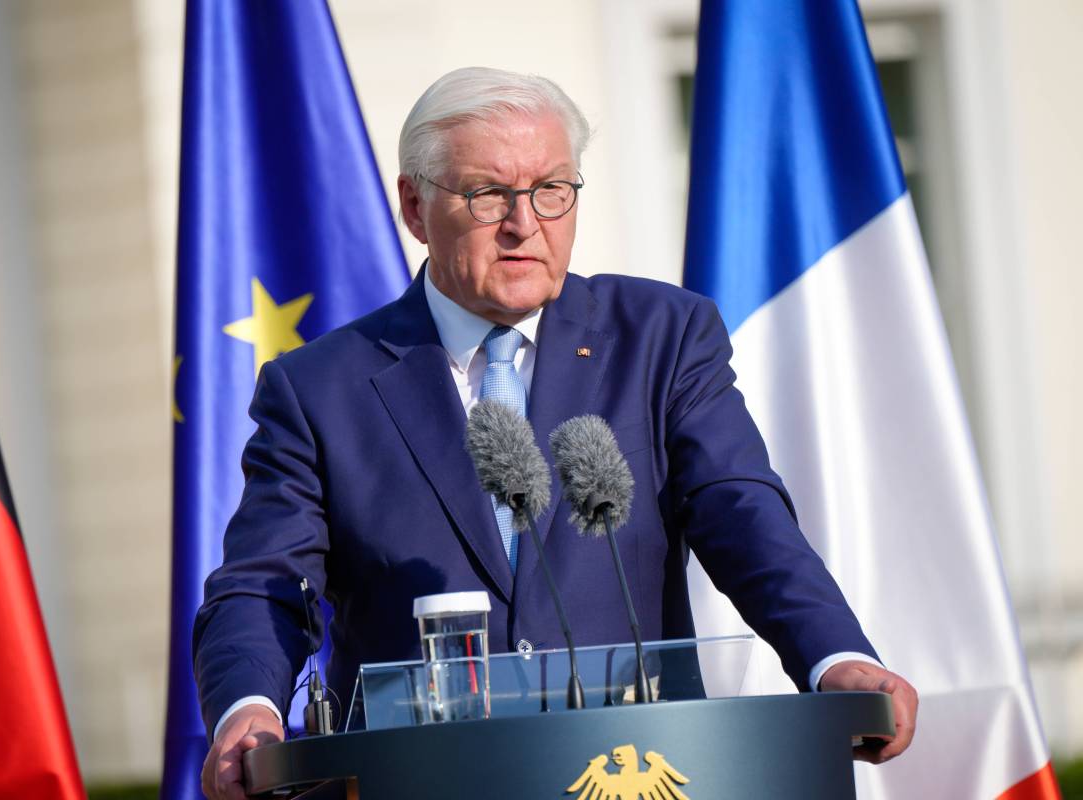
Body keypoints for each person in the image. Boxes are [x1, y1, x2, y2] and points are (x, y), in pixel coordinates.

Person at [194, 67, 918, 799]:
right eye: (487, 194)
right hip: (418, 780)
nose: (524, 223)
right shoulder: (319, 388)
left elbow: (745, 515)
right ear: (415, 207)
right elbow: (263, 585)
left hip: (634, 770)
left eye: (551, 189)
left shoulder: (662, 338)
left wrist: (834, 657)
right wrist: (249, 709)